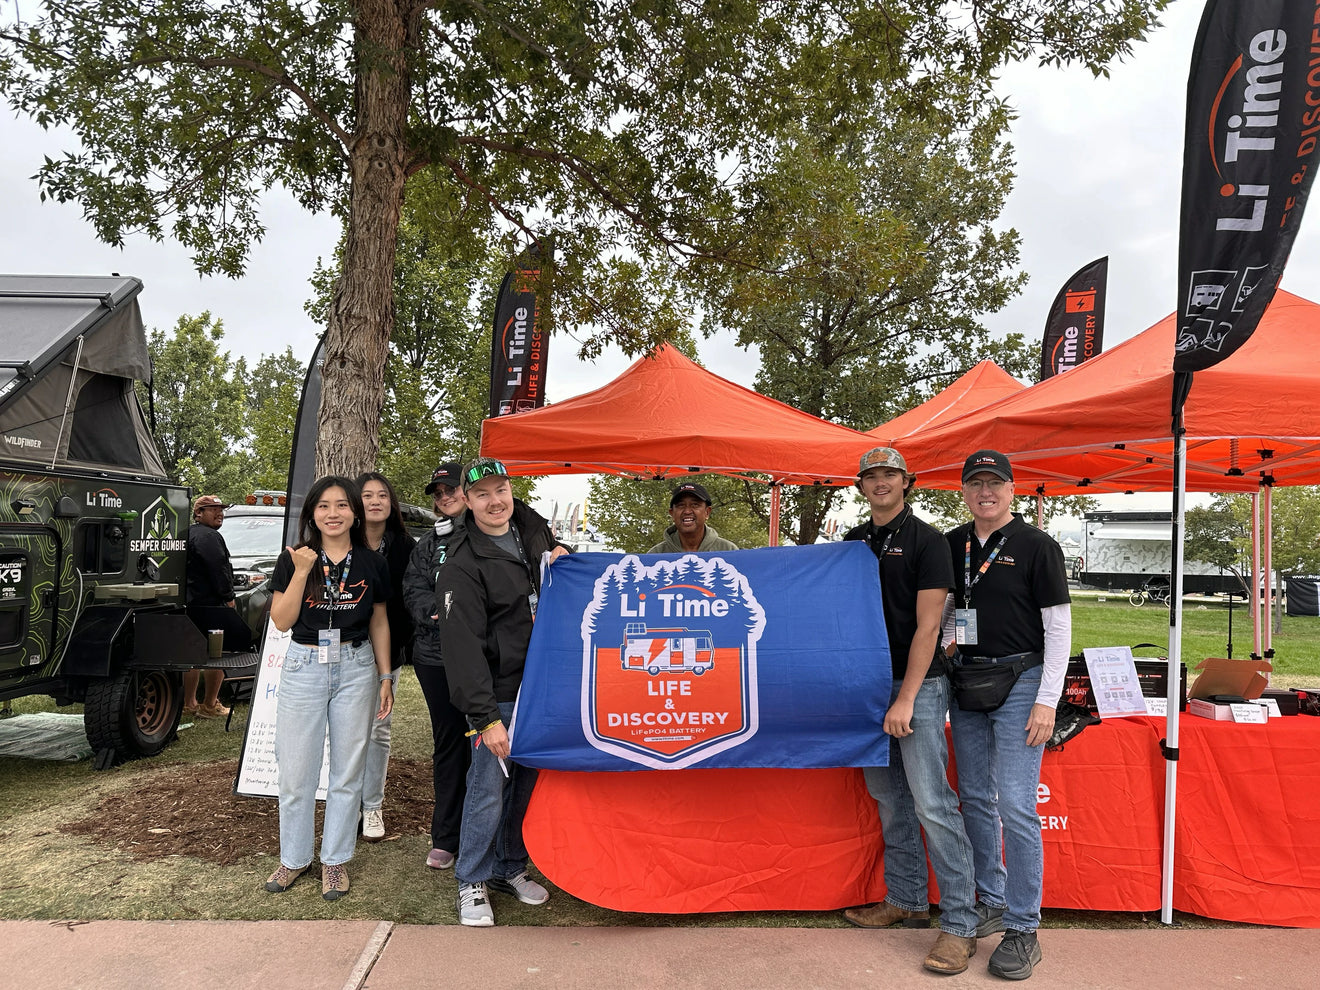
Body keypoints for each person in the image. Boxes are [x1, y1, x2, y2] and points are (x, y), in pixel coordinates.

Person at [840, 448, 980, 975]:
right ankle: (907, 900)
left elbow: (929, 627)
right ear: (861, 485)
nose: (880, 483)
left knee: (932, 803)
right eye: (871, 476)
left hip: (915, 684)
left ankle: (962, 924)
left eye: (890, 476)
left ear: (907, 483)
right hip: (865, 684)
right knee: (888, 797)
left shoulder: (928, 541)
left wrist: (905, 697)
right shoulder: (852, 542)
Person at [943, 450, 1071, 981]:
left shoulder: (1039, 546)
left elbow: (1059, 628)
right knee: (973, 796)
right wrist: (949, 642)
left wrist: (1047, 700)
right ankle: (990, 899)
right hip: (967, 683)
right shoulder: (953, 544)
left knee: (1016, 804)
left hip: (1021, 681)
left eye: (995, 483)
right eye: (976, 484)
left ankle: (1024, 926)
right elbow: (950, 610)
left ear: (1013, 489)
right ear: (965, 491)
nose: (985, 492)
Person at [436, 457, 569, 926]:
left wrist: (561, 557)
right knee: (487, 788)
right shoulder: (461, 563)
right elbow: (462, 649)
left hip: (540, 688)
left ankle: (507, 868)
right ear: (466, 502)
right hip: (498, 694)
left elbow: (548, 577)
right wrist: (486, 719)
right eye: (482, 494)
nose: (495, 501)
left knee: (526, 785)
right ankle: (471, 878)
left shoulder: (531, 530)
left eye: (501, 490)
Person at [265, 476, 394, 902]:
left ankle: (334, 860)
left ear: (355, 512)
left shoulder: (371, 562)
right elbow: (281, 621)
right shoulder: (293, 559)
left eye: (342, 505)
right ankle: (295, 857)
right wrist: (302, 571)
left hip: (356, 666)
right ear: (312, 514)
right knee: (297, 771)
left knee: (347, 770)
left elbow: (378, 619)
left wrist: (385, 675)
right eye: (324, 506)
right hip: (304, 665)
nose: (333, 514)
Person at [402, 461, 470, 871]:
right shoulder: (427, 544)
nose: (444, 498)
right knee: (449, 743)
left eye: (451, 490)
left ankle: (488, 832)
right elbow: (413, 589)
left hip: (484, 659)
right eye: (438, 493)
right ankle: (446, 835)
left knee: (487, 742)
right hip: (434, 657)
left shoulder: (494, 533)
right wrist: (439, 612)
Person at [355, 472, 417, 843]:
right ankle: (344, 804)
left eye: (382, 495)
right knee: (345, 732)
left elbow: (409, 603)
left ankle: (372, 806)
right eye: (367, 495)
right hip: (342, 652)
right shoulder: (341, 543)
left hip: (386, 653)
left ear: (391, 504)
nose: (375, 501)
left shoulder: (407, 548)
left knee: (378, 731)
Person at [184, 494, 251, 718]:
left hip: (189, 604)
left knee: (191, 654)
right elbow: (218, 569)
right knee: (219, 652)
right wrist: (228, 596)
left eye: (220, 509)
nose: (219, 512)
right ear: (198, 513)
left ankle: (189, 703)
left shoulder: (187, 534)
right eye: (212, 509)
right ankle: (210, 704)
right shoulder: (209, 536)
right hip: (211, 605)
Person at [648, 481, 738, 553]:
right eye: (681, 505)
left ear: (707, 512)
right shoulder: (656, 554)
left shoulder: (729, 550)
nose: (687, 511)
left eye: (695, 505)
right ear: (672, 513)